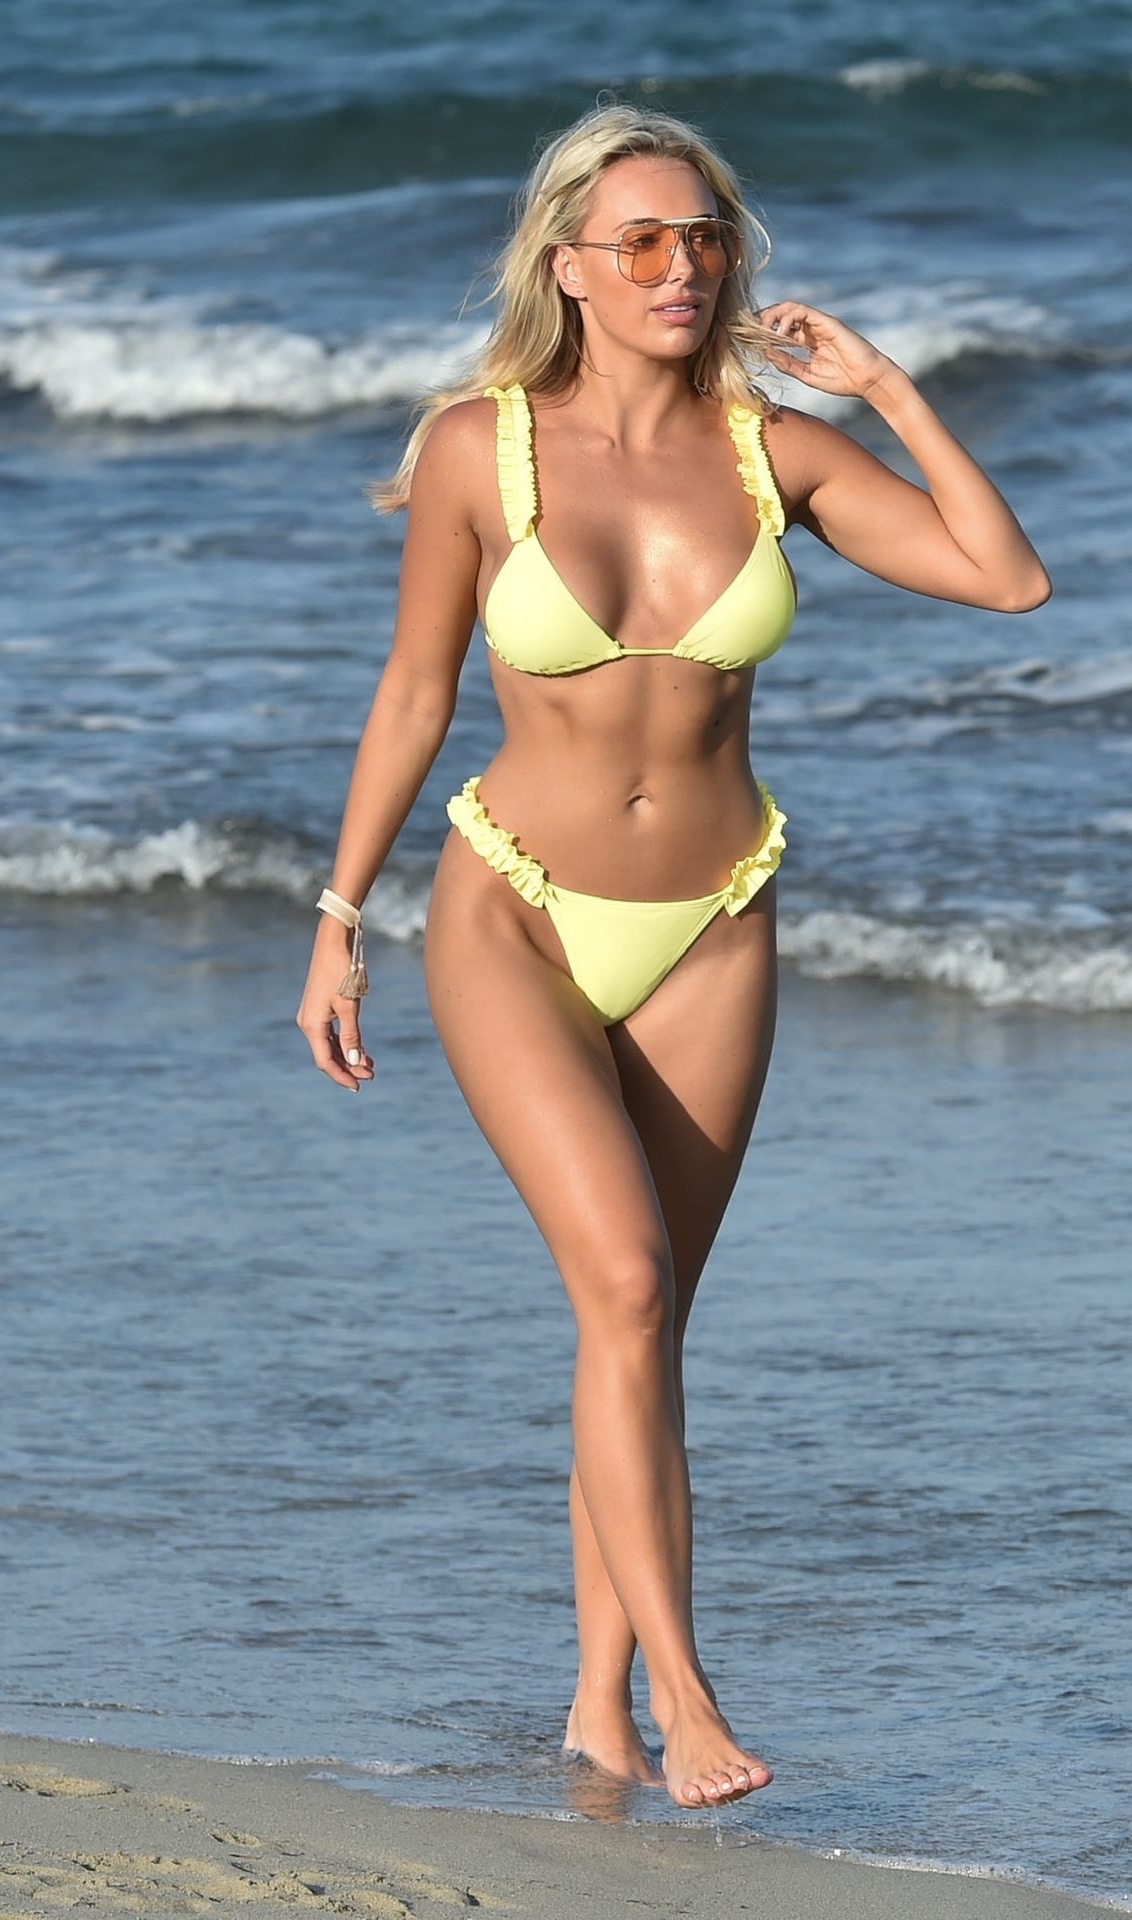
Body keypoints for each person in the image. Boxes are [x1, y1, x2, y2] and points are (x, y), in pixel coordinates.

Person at [295, 101, 1049, 1811]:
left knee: (638, 1324)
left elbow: (1005, 582)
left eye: (702, 237)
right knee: (624, 1288)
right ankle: (687, 1697)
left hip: (714, 920)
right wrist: (337, 922)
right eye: (637, 239)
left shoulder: (774, 453)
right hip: (513, 909)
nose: (678, 267)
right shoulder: (477, 449)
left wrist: (886, 391)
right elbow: (412, 693)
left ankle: (592, 1706)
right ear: (565, 264)